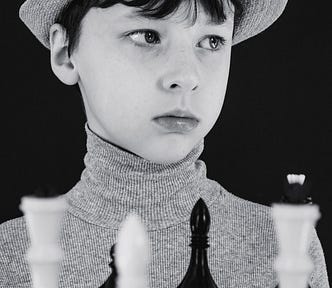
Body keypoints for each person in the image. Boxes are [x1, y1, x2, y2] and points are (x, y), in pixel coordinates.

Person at [0, 0, 329, 287]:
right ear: (66, 52)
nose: (187, 76)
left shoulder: (283, 245)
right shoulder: (10, 256)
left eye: (212, 40)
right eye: (148, 35)